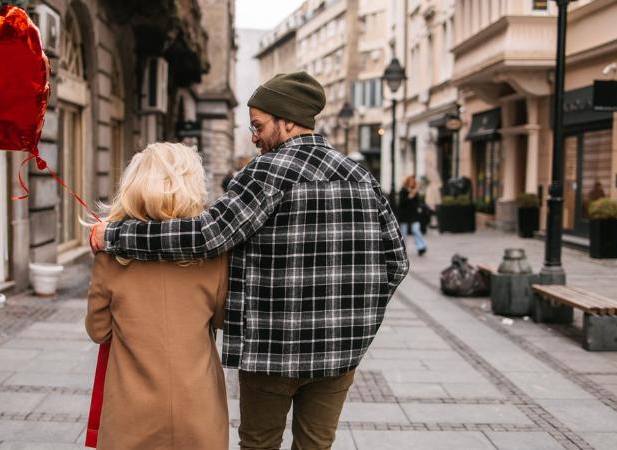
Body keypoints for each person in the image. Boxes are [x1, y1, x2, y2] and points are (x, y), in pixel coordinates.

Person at [90, 71, 409, 450]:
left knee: (259, 444)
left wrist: (114, 235)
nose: (254, 136)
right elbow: (397, 262)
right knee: (317, 445)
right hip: (342, 349)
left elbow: (207, 235)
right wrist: (358, 319)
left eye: (258, 125)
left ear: (287, 120)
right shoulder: (360, 176)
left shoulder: (267, 172)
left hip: (272, 350)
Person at [85, 142, 229, 450]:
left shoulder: (111, 254)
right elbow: (219, 318)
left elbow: (99, 331)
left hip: (130, 411)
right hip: (198, 406)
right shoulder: (214, 256)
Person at [398, 175, 428, 256]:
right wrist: (409, 197)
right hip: (404, 216)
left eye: (413, 183)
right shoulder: (402, 191)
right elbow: (402, 203)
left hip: (414, 215)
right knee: (403, 233)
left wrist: (413, 196)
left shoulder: (415, 193)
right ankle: (402, 249)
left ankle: (421, 246)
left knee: (416, 230)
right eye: (410, 182)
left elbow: (416, 204)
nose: (412, 184)